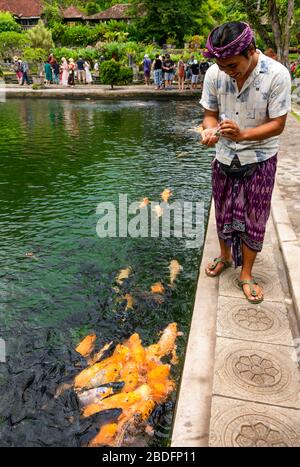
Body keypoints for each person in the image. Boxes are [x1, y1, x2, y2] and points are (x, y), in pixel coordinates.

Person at [200, 21, 291, 304]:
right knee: (223, 211)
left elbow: (278, 124)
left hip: (260, 158)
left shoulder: (277, 75)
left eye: (232, 65)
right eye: (222, 66)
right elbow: (210, 114)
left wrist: (244, 134)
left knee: (255, 217)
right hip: (224, 156)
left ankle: (247, 274)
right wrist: (209, 130)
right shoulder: (215, 73)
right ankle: (225, 256)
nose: (227, 72)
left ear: (250, 50)